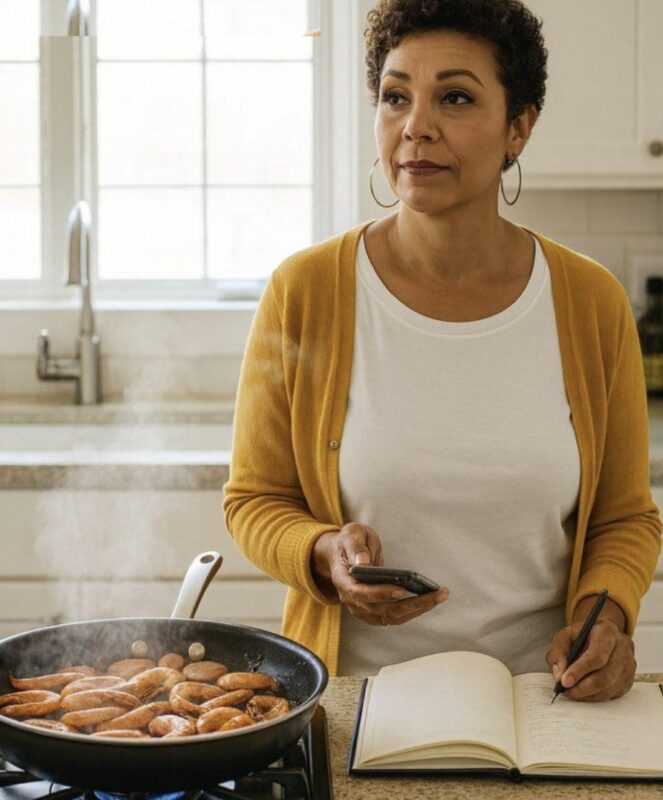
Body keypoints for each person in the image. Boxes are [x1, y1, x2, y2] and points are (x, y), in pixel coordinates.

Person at [223, 0, 662, 701]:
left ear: (518, 127)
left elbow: (622, 517)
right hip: (355, 708)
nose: (414, 126)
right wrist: (321, 552)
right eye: (395, 96)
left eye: (453, 97)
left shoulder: (589, 302)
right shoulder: (304, 292)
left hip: (544, 705)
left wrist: (603, 615)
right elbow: (255, 500)